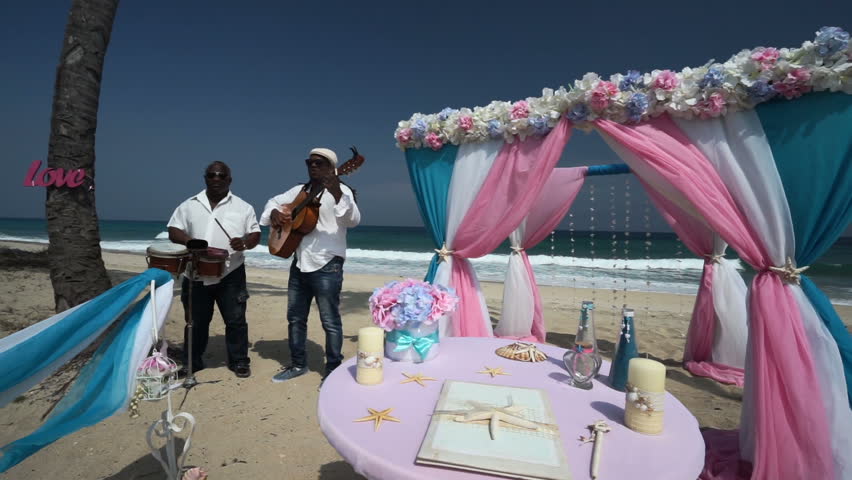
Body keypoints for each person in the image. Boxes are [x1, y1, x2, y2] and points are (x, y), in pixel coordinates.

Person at [260, 147, 361, 384]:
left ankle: (333, 369)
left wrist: (336, 192)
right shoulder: (299, 190)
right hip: (300, 263)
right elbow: (272, 203)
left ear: (333, 168)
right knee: (295, 318)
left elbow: (353, 220)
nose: (314, 166)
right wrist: (274, 212)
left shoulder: (342, 190)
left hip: (328, 264)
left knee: (330, 321)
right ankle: (298, 365)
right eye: (310, 162)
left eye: (320, 163)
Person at [168, 161, 261, 378]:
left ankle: (239, 361)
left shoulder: (243, 207)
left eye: (221, 175)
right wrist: (189, 241)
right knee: (196, 321)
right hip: (196, 271)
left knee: (235, 320)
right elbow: (173, 229)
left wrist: (245, 242)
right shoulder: (189, 205)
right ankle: (193, 361)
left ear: (229, 179)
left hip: (231, 272)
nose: (216, 179)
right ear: (205, 178)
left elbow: (255, 234)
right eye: (211, 175)